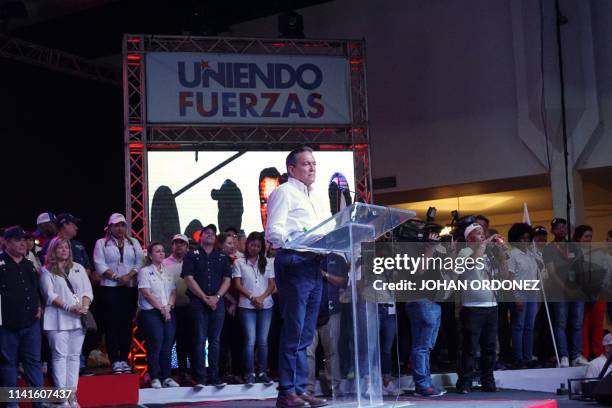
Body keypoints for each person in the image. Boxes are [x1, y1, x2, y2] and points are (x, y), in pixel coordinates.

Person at [265, 146, 329, 408]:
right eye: (306, 164)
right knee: (294, 330)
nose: (312, 168)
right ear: (292, 169)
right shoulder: (284, 192)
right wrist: (301, 238)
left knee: (306, 333)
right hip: (294, 262)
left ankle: (300, 389)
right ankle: (287, 392)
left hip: (314, 264)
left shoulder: (315, 196)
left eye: (314, 163)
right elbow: (273, 232)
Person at [455, 223, 510, 394]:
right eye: (478, 233)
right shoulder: (464, 252)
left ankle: (488, 381)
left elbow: (503, 276)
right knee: (470, 347)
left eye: (483, 233)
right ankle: (465, 382)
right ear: (469, 237)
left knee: (489, 348)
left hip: (491, 306)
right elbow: (471, 264)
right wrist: (485, 244)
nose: (482, 235)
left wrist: (501, 254)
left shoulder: (488, 254)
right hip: (473, 308)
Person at [40, 237, 93, 408]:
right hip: (56, 320)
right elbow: (50, 295)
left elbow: (87, 290)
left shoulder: (78, 268)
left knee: (74, 357)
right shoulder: (46, 270)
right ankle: (63, 398)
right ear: (53, 250)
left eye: (66, 247)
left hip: (78, 320)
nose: (64, 250)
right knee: (60, 357)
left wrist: (84, 306)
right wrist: (71, 307)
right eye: (60, 248)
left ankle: (72, 396)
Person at [181, 224, 231, 389]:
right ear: (199, 237)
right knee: (199, 340)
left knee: (215, 341)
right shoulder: (191, 255)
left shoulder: (222, 256)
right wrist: (204, 297)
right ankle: (201, 378)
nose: (210, 235)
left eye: (212, 233)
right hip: (198, 303)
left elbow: (227, 279)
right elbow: (188, 278)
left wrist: (216, 297)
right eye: (206, 233)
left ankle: (215, 377)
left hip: (218, 303)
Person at [93, 213, 144, 374]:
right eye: (116, 225)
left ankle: (124, 359)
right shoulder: (101, 243)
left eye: (123, 225)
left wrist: (129, 276)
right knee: (112, 324)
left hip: (129, 287)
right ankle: (114, 360)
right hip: (109, 288)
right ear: (110, 227)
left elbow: (140, 260)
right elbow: (99, 263)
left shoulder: (133, 241)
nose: (120, 228)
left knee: (127, 325)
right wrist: (116, 277)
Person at [0, 226, 43, 408]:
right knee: (8, 364)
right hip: (7, 325)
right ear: (7, 243)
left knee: (34, 363)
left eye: (24, 240)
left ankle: (39, 403)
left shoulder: (29, 265)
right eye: (18, 240)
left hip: (31, 323)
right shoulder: (1, 264)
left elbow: (35, 289)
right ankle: (12, 405)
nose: (23, 243)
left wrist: (39, 306)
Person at [543, 218, 588, 367]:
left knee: (577, 323)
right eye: (558, 227)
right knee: (561, 323)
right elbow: (551, 272)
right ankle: (563, 356)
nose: (562, 229)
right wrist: (564, 287)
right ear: (552, 230)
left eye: (564, 227)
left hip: (577, 291)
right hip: (559, 291)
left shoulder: (573, 246)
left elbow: (581, 267)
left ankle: (576, 355)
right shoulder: (549, 248)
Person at [232, 232, 276, 386]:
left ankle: (263, 372)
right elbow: (237, 285)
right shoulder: (239, 262)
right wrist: (253, 298)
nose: (255, 248)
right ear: (247, 245)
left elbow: (272, 285)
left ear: (261, 247)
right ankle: (250, 373)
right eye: (252, 245)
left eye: (258, 246)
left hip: (266, 305)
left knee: (263, 341)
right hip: (246, 306)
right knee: (250, 340)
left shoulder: (268, 262)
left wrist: (262, 298)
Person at [306, 253, 348, 397]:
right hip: (309, 312)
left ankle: (334, 387)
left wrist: (324, 274)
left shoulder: (337, 258)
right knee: (307, 352)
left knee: (332, 351)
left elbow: (343, 282)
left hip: (332, 311)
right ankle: (307, 388)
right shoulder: (307, 257)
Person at [138, 241, 179, 389]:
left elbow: (173, 292)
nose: (161, 253)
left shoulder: (167, 271)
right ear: (150, 255)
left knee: (168, 345)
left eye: (162, 251)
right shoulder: (145, 271)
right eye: (157, 251)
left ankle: (167, 376)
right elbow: (147, 294)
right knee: (155, 344)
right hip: (151, 312)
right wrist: (162, 308)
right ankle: (154, 376)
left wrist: (168, 306)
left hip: (168, 311)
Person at [507, 223, 539, 368]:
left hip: (533, 292)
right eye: (522, 238)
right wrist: (516, 297)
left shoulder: (532, 254)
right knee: (518, 326)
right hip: (520, 292)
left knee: (529, 326)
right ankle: (518, 358)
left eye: (527, 238)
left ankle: (528, 356)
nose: (525, 241)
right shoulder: (512, 254)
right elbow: (510, 277)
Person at [574, 225, 606, 361]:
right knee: (583, 325)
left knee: (597, 325)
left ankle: (598, 354)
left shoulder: (599, 253)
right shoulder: (573, 253)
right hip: (581, 294)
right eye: (586, 236)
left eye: (590, 236)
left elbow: (605, 272)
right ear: (578, 238)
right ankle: (585, 354)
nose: (588, 239)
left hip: (599, 294)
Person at [162, 234, 192, 382]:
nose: (179, 246)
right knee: (168, 341)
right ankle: (164, 374)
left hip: (188, 308)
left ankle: (183, 372)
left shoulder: (191, 262)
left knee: (184, 342)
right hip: (169, 309)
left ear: (187, 247)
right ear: (172, 246)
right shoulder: (163, 263)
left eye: (182, 243)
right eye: (176, 243)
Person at [216, 232, 243, 384]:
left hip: (239, 304)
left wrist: (237, 302)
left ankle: (237, 372)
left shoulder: (238, 260)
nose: (233, 246)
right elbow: (217, 284)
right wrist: (231, 301)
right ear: (220, 245)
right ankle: (221, 373)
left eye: (234, 243)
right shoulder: (217, 260)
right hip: (223, 304)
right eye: (229, 243)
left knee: (238, 340)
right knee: (222, 340)